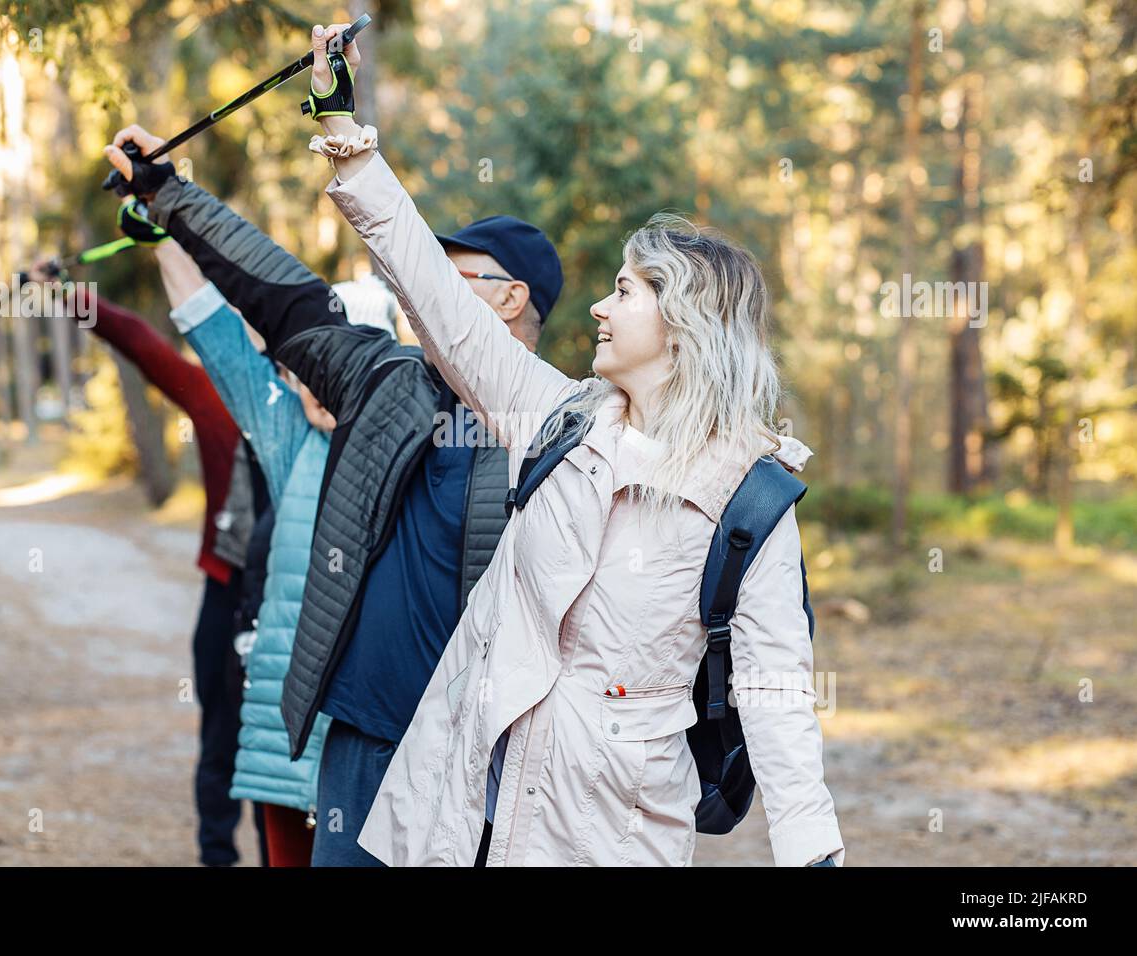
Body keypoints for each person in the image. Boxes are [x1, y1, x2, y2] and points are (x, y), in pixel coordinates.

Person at [295, 23, 847, 867]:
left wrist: (813, 851)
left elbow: (773, 690)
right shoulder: (557, 419)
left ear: (683, 326)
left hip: (602, 834)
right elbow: (441, 303)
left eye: (623, 291)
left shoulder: (753, 499)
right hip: (459, 806)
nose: (597, 306)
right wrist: (346, 139)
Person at [103, 114, 564, 865]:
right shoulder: (384, 384)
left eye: (452, 272)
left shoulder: (554, 431)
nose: (424, 286)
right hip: (355, 746)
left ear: (511, 299)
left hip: (476, 759)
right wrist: (168, 192)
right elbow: (281, 297)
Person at [144, 231, 401, 866]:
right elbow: (220, 340)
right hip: (288, 749)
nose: (311, 381)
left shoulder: (416, 453)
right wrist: (163, 227)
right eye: (302, 365)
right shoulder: (293, 442)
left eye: (332, 363)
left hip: (379, 755)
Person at [29, 262, 264, 865]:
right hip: (227, 588)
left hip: (289, 595)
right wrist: (64, 294)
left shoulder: (313, 402)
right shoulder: (210, 395)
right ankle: (218, 856)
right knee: (220, 737)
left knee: (267, 750)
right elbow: (136, 339)